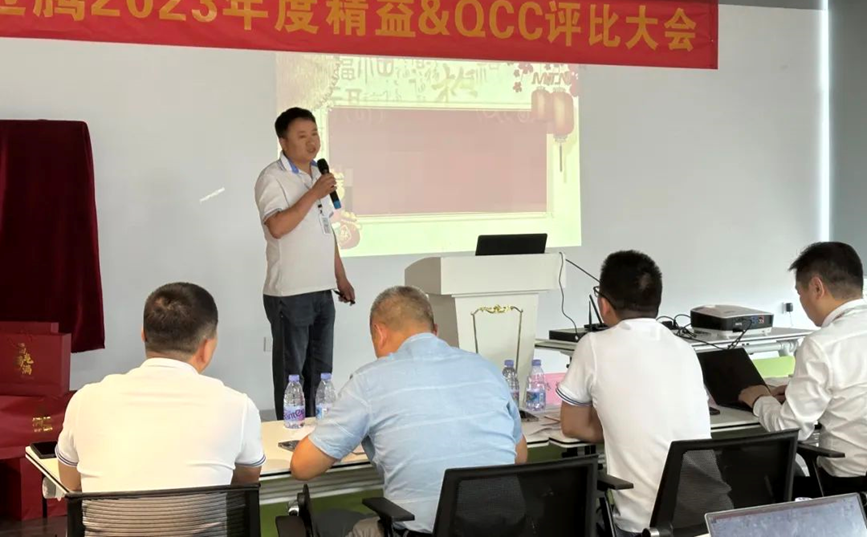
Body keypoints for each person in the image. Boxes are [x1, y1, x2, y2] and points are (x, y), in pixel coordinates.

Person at [290, 286, 528, 537]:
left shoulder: (369, 381)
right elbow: (519, 455)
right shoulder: (486, 369)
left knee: (326, 521)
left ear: (379, 332)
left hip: (420, 534)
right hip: (504, 530)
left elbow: (303, 467)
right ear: (435, 331)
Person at [557, 251, 712, 537]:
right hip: (708, 519)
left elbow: (572, 425)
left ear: (603, 304)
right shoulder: (684, 349)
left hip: (645, 526)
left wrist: (622, 427)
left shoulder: (593, 346)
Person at [55, 282, 265, 493]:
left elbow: (70, 484)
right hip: (205, 517)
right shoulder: (239, 407)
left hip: (105, 517)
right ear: (206, 347)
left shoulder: (85, 400)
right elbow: (246, 483)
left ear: (143, 335)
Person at [739, 241, 867, 496]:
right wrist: (799, 390)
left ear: (817, 287)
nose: (802, 303)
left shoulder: (822, 344)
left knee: (751, 470)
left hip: (849, 486)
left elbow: (791, 429)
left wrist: (760, 399)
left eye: (800, 293)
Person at [255, 107, 356, 420]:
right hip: (290, 292)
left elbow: (326, 231)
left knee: (321, 373)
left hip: (322, 289)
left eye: (314, 134)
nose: (312, 142)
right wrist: (313, 193)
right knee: (292, 376)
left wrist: (341, 277)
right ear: (283, 142)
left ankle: (319, 435)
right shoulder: (272, 178)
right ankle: (291, 436)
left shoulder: (317, 175)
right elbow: (277, 227)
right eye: (302, 136)